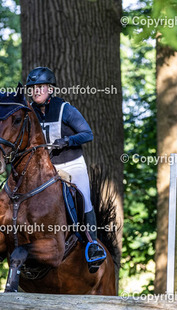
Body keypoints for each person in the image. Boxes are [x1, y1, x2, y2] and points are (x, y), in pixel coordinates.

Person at [25, 66, 107, 266]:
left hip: (71, 164)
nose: (36, 91)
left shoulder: (65, 109)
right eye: (33, 88)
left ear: (51, 89)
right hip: (46, 169)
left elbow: (88, 134)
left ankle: (92, 245)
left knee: (84, 199)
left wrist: (68, 141)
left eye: (41, 87)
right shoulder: (29, 112)